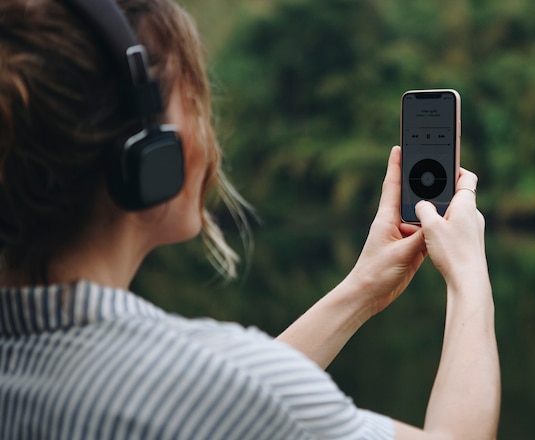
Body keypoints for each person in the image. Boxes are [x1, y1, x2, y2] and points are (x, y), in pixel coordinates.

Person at [0, 0, 500, 438]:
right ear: (147, 153)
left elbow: (222, 396)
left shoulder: (28, 360)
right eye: (194, 102)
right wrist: (469, 274)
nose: (206, 128)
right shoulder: (188, 377)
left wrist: (362, 289)